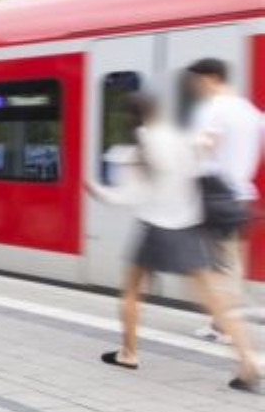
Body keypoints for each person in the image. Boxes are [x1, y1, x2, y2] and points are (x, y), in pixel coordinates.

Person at [86, 93, 259, 393]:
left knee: (131, 292)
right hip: (189, 227)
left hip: (156, 227)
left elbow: (132, 195)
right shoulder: (181, 137)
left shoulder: (142, 144)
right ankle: (247, 362)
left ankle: (128, 353)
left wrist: (97, 191)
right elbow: (201, 161)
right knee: (214, 298)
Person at [185, 58, 264, 343]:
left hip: (214, 195)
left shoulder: (212, 108)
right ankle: (222, 322)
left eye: (195, 81)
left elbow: (204, 146)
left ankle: (226, 325)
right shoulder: (252, 113)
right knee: (229, 263)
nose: (194, 86)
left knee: (208, 264)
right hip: (241, 195)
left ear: (210, 78)